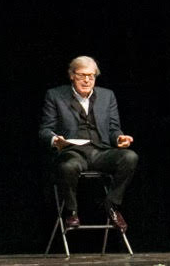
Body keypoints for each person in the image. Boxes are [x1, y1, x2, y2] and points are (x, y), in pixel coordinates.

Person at [39, 56, 137, 231]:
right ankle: (72, 211)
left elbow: (113, 128)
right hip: (73, 152)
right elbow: (45, 130)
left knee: (130, 157)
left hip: (101, 151)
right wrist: (56, 140)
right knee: (67, 166)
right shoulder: (55, 95)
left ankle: (111, 205)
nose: (87, 80)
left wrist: (119, 138)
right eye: (82, 75)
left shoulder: (107, 96)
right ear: (72, 75)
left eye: (91, 76)